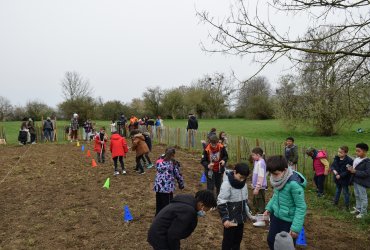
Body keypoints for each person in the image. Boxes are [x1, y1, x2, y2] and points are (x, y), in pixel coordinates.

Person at [147, 190, 217, 250]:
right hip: (160, 236)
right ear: (202, 205)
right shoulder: (188, 211)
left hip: (158, 232)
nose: (205, 212)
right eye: (206, 210)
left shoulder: (186, 202)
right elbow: (173, 235)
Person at [263, 155, 307, 250]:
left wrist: (295, 228)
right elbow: (276, 196)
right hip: (276, 217)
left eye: (276, 174)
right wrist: (269, 208)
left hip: (288, 221)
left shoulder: (294, 185)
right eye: (271, 174)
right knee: (271, 240)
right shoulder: (278, 181)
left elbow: (301, 207)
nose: (273, 177)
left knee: (285, 246)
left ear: (285, 169)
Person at [217, 163, 250, 250]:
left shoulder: (244, 184)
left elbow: (245, 201)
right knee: (228, 242)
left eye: (244, 178)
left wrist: (248, 214)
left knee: (237, 240)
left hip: (240, 219)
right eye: (240, 177)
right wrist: (225, 218)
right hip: (230, 220)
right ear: (235, 172)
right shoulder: (227, 184)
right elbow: (221, 202)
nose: (242, 180)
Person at [154, 147, 184, 215]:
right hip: (167, 189)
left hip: (158, 187)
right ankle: (166, 218)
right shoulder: (173, 163)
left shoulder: (159, 160)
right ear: (173, 155)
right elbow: (178, 175)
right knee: (168, 206)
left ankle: (157, 217)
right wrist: (181, 184)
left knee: (159, 204)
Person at [347, 143, 370, 219]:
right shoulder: (357, 159)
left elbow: (367, 173)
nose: (356, 152)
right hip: (355, 180)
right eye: (356, 151)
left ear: (364, 151)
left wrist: (355, 171)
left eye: (358, 151)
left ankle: (364, 213)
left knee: (363, 197)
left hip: (362, 182)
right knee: (357, 195)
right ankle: (358, 209)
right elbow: (354, 168)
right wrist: (350, 169)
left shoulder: (367, 162)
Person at [330, 145, 353, 210]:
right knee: (337, 190)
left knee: (345, 192)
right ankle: (335, 202)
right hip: (337, 178)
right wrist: (334, 171)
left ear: (345, 153)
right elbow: (332, 166)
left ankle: (346, 206)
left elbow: (348, 171)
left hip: (344, 179)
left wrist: (340, 175)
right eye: (338, 152)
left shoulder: (349, 160)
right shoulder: (336, 158)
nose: (339, 153)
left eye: (341, 152)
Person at [251, 147, 267, 227]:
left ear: (258, 155)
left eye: (253, 155)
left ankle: (262, 220)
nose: (252, 157)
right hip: (256, 186)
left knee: (260, 203)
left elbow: (260, 177)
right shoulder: (257, 161)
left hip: (260, 188)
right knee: (256, 202)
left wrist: (257, 187)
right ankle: (258, 217)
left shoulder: (261, 163)